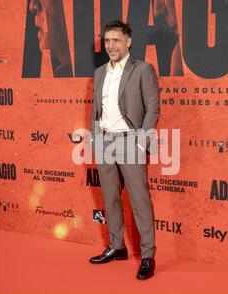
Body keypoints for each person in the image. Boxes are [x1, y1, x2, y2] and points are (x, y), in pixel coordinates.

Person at [89, 20, 160, 280]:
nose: (111, 46)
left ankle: (148, 256)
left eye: (116, 40)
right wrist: (96, 139)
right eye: (107, 41)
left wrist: (142, 142)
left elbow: (153, 109)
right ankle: (117, 247)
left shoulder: (143, 70)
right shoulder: (99, 73)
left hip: (131, 141)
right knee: (111, 198)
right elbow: (97, 110)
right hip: (105, 141)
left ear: (128, 41)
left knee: (140, 200)